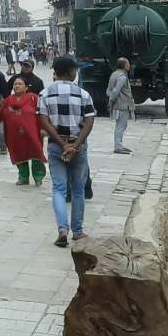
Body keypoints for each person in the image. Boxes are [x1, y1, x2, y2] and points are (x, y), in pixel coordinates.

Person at [37, 56, 98, 248]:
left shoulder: (45, 94)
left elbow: (44, 121)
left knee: (59, 188)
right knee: (78, 189)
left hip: (56, 146)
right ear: (71, 71)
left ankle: (62, 229)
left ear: (55, 72)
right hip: (78, 146)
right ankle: (77, 231)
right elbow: (89, 121)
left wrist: (63, 145)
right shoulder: (83, 94)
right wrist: (75, 145)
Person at [0, 75, 46, 186]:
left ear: (26, 87)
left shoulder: (33, 98)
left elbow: (43, 114)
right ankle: (23, 177)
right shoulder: (8, 101)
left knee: (36, 153)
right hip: (14, 134)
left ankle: (38, 176)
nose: (17, 86)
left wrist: (44, 128)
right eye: (15, 84)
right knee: (19, 154)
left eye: (20, 84)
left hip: (33, 133)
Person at [106, 58, 134, 154]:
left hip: (118, 104)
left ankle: (119, 145)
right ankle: (118, 146)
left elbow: (109, 90)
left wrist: (111, 100)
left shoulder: (114, 74)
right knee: (120, 125)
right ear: (125, 65)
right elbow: (115, 91)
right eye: (128, 63)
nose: (129, 65)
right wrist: (111, 101)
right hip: (122, 104)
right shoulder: (122, 76)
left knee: (121, 125)